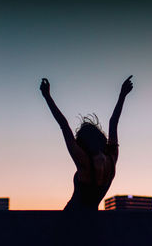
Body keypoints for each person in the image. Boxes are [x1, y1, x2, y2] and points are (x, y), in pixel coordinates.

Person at [40, 76, 133, 211]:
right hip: (93, 219)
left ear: (83, 142)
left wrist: (47, 96)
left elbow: (64, 125)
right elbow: (113, 122)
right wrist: (122, 94)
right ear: (101, 138)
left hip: (72, 217)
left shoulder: (83, 159)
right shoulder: (112, 159)